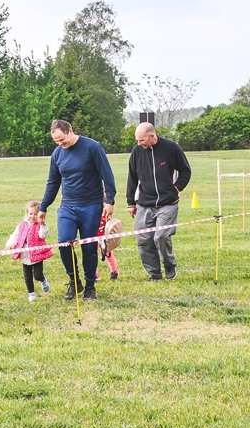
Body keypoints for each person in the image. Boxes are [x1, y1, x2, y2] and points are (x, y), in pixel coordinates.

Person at [38, 119, 117, 301]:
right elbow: (53, 182)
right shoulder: (57, 154)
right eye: (56, 141)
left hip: (91, 205)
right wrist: (44, 206)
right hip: (68, 206)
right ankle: (75, 282)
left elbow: (107, 174)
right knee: (64, 242)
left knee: (89, 247)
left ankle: (90, 286)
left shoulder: (92, 147)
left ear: (70, 131)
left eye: (62, 139)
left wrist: (110, 200)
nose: (60, 144)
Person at [125, 122, 192, 281]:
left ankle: (169, 265)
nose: (139, 143)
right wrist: (130, 203)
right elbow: (132, 178)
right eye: (137, 140)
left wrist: (176, 188)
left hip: (168, 203)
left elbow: (185, 170)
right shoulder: (137, 152)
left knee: (161, 236)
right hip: (144, 204)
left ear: (152, 136)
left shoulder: (171, 148)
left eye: (142, 140)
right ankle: (154, 274)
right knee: (143, 240)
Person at [5, 200, 52, 302]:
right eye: (30, 214)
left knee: (37, 275)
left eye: (35, 214)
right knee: (28, 277)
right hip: (24, 255)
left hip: (36, 254)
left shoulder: (40, 225)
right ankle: (31, 294)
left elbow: (43, 235)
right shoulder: (22, 225)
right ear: (27, 213)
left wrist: (43, 225)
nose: (32, 216)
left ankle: (43, 280)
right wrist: (10, 244)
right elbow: (15, 236)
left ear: (40, 215)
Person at [97, 211, 121, 280]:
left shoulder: (106, 214)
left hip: (105, 238)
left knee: (109, 254)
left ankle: (114, 272)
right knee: (92, 255)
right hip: (94, 237)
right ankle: (95, 274)